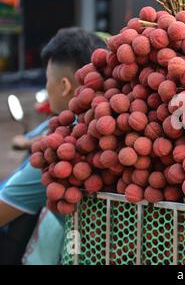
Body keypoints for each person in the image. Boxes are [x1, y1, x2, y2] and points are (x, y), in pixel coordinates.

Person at [0, 27, 106, 264]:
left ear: (65, 85)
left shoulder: (60, 152)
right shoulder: (83, 125)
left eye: (48, 81)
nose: (47, 90)